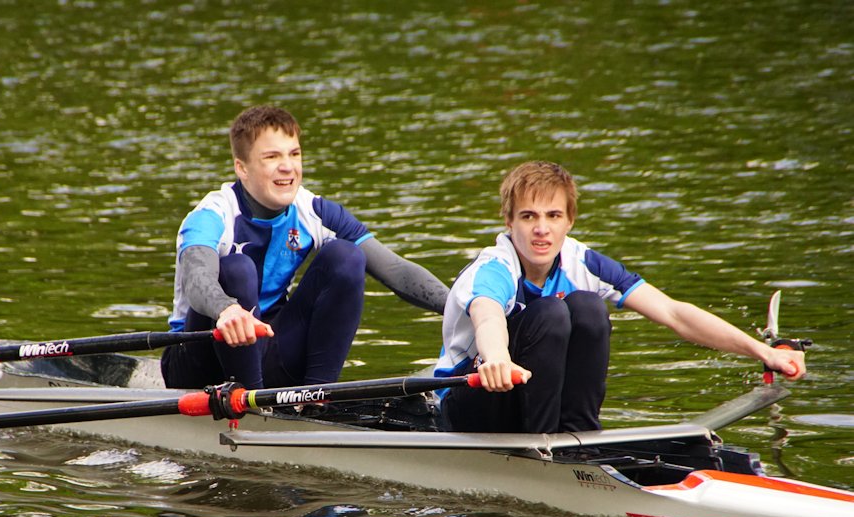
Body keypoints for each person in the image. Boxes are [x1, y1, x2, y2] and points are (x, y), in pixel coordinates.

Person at [434, 160, 806, 434]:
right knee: (551, 312)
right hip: (470, 402)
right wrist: (497, 358)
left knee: (588, 307)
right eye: (529, 217)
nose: (542, 229)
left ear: (570, 221)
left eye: (553, 215)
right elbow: (487, 316)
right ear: (509, 222)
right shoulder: (495, 267)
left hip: (530, 403)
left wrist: (764, 352)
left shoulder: (584, 262)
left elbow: (674, 313)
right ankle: (542, 447)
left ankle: (580, 437)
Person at [162, 105, 449, 390]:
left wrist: (463, 306)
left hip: (271, 347)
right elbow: (197, 279)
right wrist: (226, 309)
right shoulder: (212, 215)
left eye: (294, 154)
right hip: (199, 358)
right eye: (272, 156)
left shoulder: (314, 210)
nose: (288, 166)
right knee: (237, 268)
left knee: (347, 256)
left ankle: (317, 396)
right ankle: (252, 405)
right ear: (242, 168)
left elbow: (395, 269)